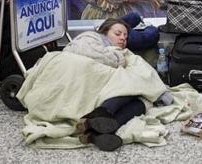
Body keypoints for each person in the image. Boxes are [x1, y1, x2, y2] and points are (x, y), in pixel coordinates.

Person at [62, 18, 169, 151]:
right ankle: (100, 117)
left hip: (104, 87)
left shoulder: (124, 53)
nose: (123, 38)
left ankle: (95, 129)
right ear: (104, 32)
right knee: (132, 81)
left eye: (125, 36)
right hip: (81, 77)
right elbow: (81, 51)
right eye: (118, 34)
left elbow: (141, 69)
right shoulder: (91, 37)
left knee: (140, 101)